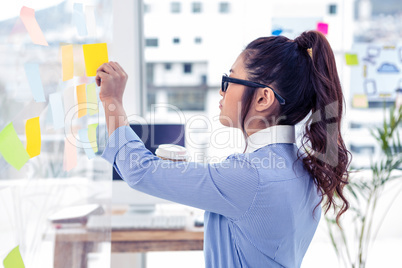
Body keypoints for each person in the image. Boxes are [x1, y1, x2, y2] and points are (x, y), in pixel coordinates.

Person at [96, 30, 351, 268]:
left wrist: (112, 102)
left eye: (229, 79)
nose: (222, 90)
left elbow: (140, 172)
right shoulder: (303, 166)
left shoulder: (251, 177)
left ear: (263, 99)